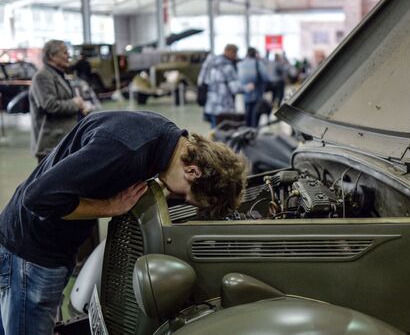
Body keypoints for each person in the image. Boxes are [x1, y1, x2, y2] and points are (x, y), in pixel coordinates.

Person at [0, 110, 247, 335]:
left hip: (50, 247)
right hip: (31, 254)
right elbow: (37, 198)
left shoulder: (163, 135)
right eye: (184, 196)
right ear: (192, 171)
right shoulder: (124, 150)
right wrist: (109, 207)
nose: (176, 197)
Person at [29, 40, 87, 163]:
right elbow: (50, 106)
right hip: (51, 146)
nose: (69, 56)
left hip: (63, 142)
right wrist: (75, 103)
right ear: (52, 56)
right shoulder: (42, 76)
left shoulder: (59, 74)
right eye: (65, 53)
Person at [203, 44, 240, 128]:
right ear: (230, 52)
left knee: (213, 130)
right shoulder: (228, 66)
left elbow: (205, 80)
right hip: (224, 106)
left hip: (211, 103)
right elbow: (235, 88)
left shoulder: (211, 62)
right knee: (223, 131)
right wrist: (246, 88)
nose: (236, 56)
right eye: (235, 53)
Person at [237, 47, 270, 127]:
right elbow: (266, 77)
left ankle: (247, 131)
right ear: (255, 54)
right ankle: (253, 132)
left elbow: (238, 79)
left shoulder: (240, 64)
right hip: (257, 93)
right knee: (255, 115)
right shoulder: (258, 64)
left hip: (245, 93)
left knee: (247, 113)